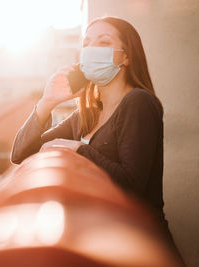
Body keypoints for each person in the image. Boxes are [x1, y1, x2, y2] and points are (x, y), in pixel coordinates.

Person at [10, 16, 184, 264]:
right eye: (87, 43)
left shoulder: (139, 103)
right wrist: (47, 102)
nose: (92, 49)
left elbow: (131, 184)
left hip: (143, 248)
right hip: (107, 246)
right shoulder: (86, 114)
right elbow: (20, 155)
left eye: (103, 42)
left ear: (126, 57)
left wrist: (79, 150)